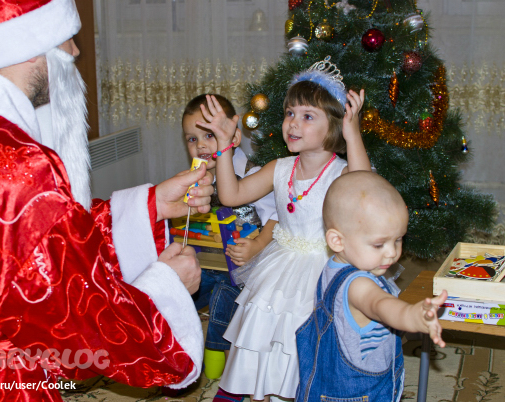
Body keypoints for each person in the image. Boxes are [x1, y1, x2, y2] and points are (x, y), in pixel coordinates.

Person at [0, 0, 213, 400]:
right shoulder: (18, 166)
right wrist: (167, 289)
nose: (75, 51)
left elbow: (34, 248)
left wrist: (151, 205)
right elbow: (77, 325)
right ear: (29, 44)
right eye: (66, 38)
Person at [197, 56, 371, 400]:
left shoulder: (340, 172)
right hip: (280, 264)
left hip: (323, 268)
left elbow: (365, 189)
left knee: (307, 333)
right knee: (268, 327)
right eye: (290, 113)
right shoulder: (279, 168)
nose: (293, 122)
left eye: (308, 116)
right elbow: (231, 195)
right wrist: (224, 146)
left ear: (334, 126)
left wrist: (353, 134)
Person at [296, 171, 448, 402]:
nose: (392, 252)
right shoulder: (359, 284)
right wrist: (412, 315)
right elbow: (381, 305)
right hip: (359, 393)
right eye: (379, 244)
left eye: (398, 239)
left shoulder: (336, 266)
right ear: (337, 241)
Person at [182, 94, 278, 401]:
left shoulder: (252, 173)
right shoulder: (194, 179)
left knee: (224, 296)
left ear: (233, 138)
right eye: (192, 139)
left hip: (245, 264)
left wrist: (257, 244)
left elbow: (277, 216)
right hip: (209, 261)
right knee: (177, 290)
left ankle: (222, 363)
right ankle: (180, 347)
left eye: (209, 135)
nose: (201, 145)